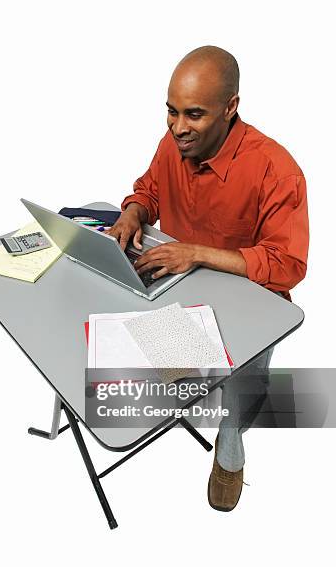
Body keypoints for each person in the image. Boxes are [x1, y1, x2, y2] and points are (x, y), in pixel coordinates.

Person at [107, 45, 309, 511]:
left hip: (251, 309)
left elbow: (288, 264)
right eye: (171, 112)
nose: (178, 127)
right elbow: (148, 191)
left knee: (236, 393)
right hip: (181, 289)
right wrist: (132, 214)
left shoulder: (277, 170)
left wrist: (196, 253)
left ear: (230, 108)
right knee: (164, 374)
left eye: (193, 114)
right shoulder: (175, 144)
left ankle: (231, 442)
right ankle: (195, 393)